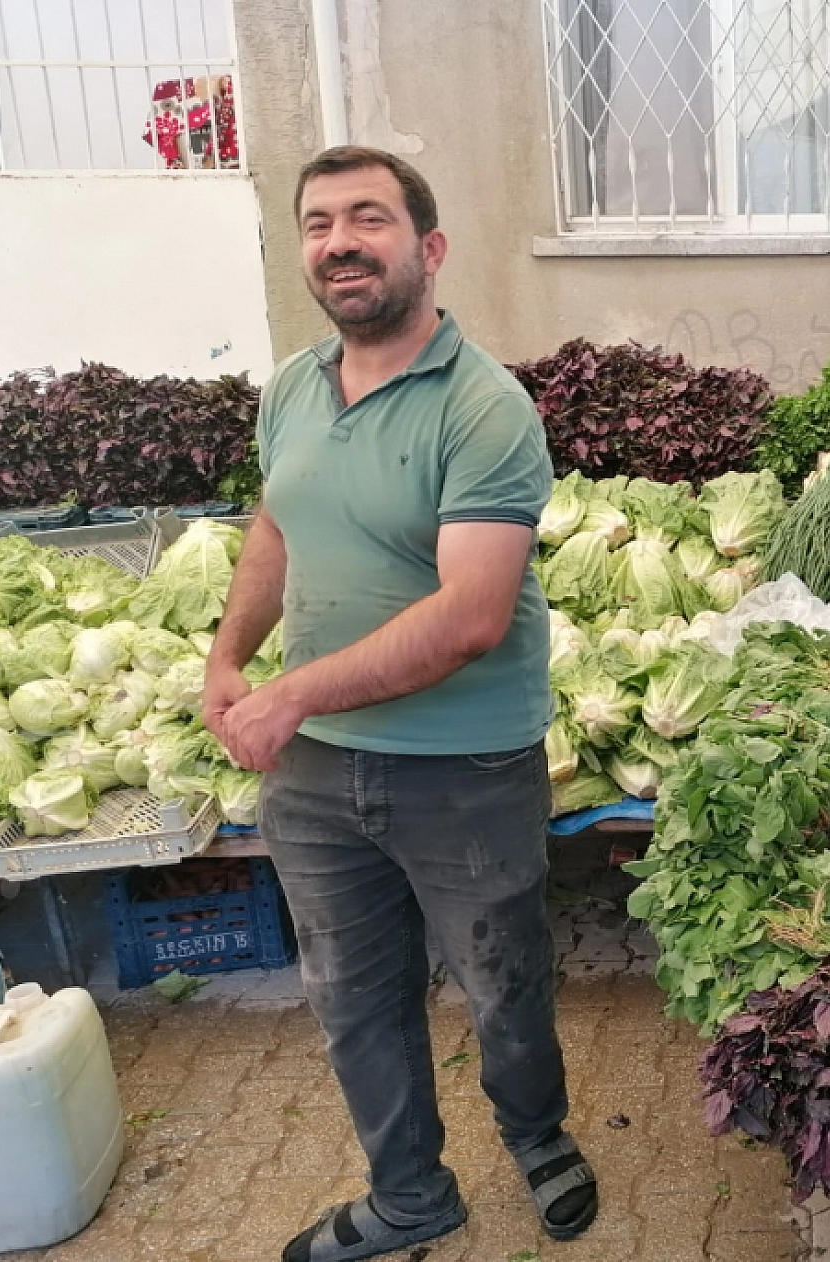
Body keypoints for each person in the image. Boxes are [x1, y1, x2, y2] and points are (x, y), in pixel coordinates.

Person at [202, 146, 596, 1261]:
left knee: (501, 981)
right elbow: (274, 528)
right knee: (352, 996)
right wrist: (230, 656)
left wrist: (293, 691)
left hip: (462, 764)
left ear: (426, 248)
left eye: (366, 218)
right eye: (318, 223)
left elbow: (473, 612)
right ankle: (411, 1193)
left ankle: (537, 1130)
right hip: (316, 772)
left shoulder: (484, 407)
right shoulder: (290, 386)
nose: (338, 242)